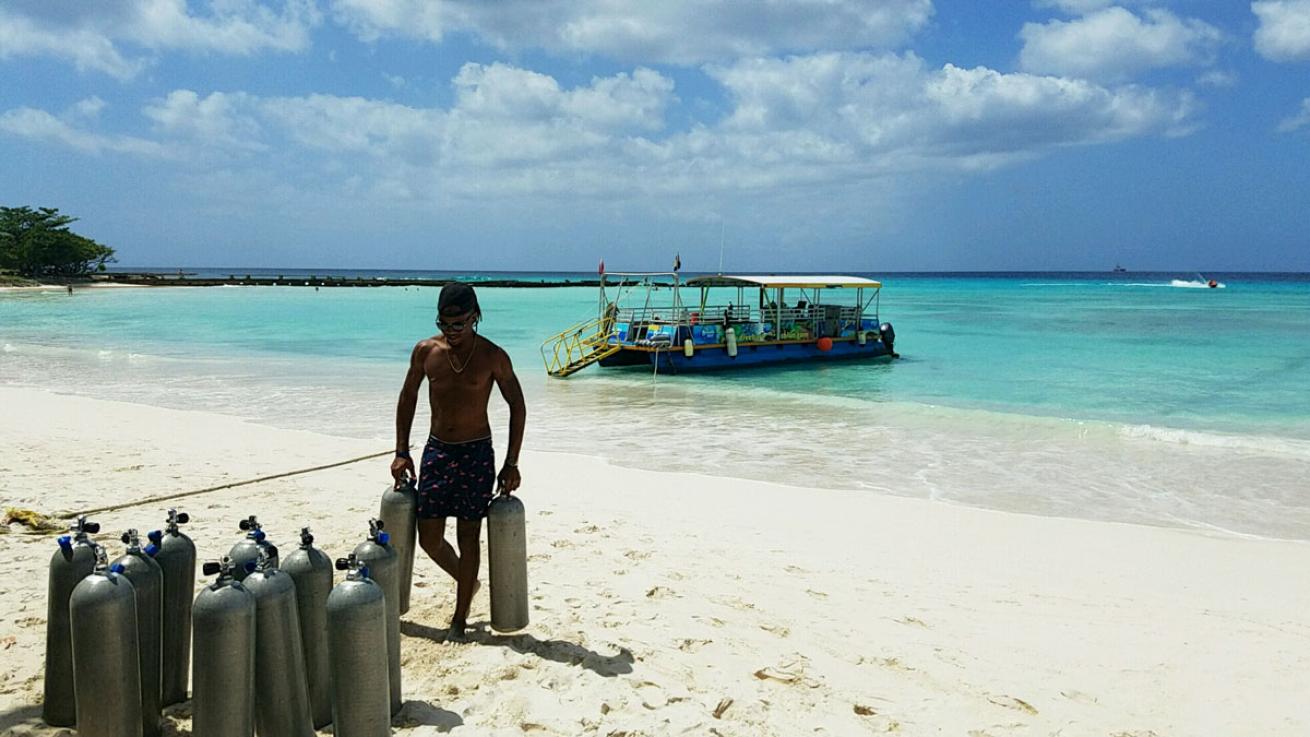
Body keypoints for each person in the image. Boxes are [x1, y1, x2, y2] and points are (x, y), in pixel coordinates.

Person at [392, 282, 526, 640]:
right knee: (429, 539)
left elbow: (518, 405)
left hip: (476, 454)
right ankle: (469, 580)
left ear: (475, 317)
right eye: (445, 324)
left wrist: (512, 463)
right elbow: (407, 398)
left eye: (459, 324)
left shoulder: (493, 356)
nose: (451, 332)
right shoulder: (426, 351)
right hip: (437, 451)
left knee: (469, 537)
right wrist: (401, 451)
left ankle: (459, 618)